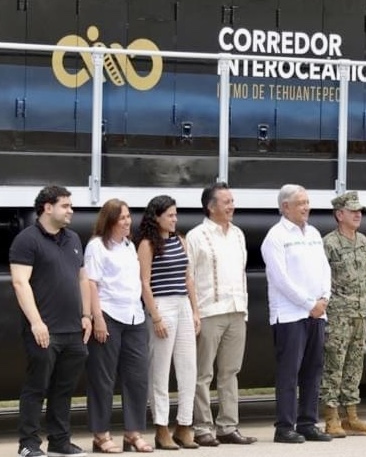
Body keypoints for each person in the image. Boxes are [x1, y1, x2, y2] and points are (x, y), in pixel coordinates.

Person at [9, 185, 90, 457]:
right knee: (36, 388)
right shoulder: (26, 240)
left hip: (73, 330)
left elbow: (82, 279)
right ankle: (28, 444)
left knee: (64, 390)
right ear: (47, 207)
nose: (71, 211)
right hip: (44, 330)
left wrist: (87, 316)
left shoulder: (74, 239)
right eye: (66, 206)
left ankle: (60, 441)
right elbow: (20, 283)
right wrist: (36, 322)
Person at [187, 183, 257, 447]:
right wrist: (194, 311)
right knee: (203, 373)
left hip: (237, 309)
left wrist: (244, 307)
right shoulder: (196, 235)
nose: (231, 206)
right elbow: (189, 277)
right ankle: (202, 427)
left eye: (232, 201)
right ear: (210, 206)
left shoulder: (238, 233)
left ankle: (228, 426)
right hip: (209, 311)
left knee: (230, 371)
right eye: (226, 202)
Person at [261, 184, 332, 444]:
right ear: (285, 207)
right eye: (300, 203)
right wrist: (307, 303)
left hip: (316, 312)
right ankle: (284, 426)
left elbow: (325, 268)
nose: (306, 207)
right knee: (289, 372)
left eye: (307, 202)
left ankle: (308, 422)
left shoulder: (312, 232)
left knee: (313, 370)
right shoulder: (276, 236)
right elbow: (280, 279)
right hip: (290, 315)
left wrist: (324, 298)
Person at [84, 199, 152, 454]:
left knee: (137, 378)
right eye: (122, 217)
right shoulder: (96, 247)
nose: (127, 221)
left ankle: (133, 432)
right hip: (109, 315)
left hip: (134, 316)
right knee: (103, 378)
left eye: (128, 217)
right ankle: (100, 434)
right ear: (110, 220)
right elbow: (91, 283)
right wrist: (97, 317)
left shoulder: (128, 245)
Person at [135, 195, 201, 450]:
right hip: (162, 304)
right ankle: (161, 428)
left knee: (188, 368)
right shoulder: (147, 244)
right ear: (157, 217)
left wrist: (195, 311)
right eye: (170, 215)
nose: (175, 219)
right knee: (160, 371)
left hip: (183, 304)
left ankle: (184, 426)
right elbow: (144, 282)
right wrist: (156, 316)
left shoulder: (180, 241)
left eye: (176, 214)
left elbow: (188, 279)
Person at [320, 191, 366, 438]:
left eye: (360, 211)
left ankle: (351, 416)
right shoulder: (329, 243)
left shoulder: (363, 241)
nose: (358, 215)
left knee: (355, 365)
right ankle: (331, 417)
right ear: (339, 214)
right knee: (334, 366)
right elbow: (322, 279)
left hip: (358, 315)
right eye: (353, 211)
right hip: (338, 315)